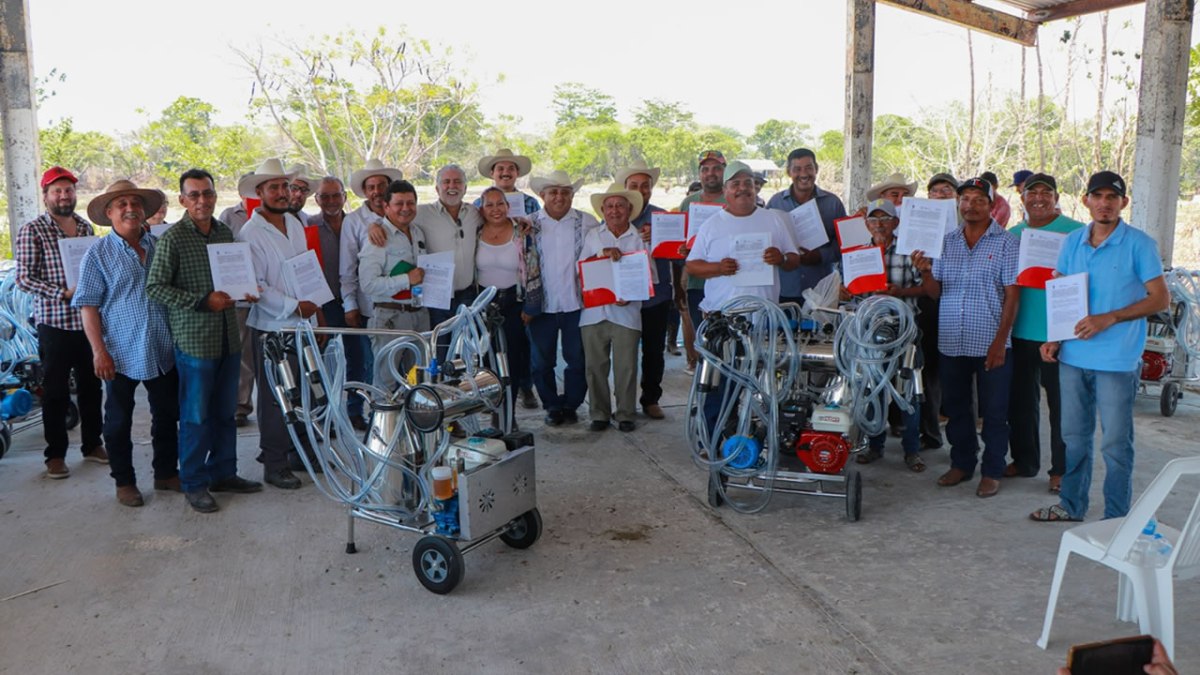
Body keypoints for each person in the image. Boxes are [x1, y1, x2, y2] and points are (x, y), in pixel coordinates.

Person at [1031, 171, 1168, 523]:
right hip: (1073, 356)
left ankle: (1116, 519)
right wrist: (1055, 336)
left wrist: (1111, 317)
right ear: (1085, 200)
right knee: (1073, 437)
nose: (1105, 203)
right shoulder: (1072, 242)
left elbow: (1159, 299)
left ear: (1123, 203)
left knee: (1115, 445)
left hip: (1117, 360)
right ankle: (1072, 506)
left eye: (1112, 197)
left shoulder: (1139, 244)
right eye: (1098, 196)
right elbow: (1062, 291)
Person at [147, 168, 263, 513]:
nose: (202, 201)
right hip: (195, 343)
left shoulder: (225, 232)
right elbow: (155, 288)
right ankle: (195, 483)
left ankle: (224, 472)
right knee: (196, 417)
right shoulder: (172, 239)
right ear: (183, 200)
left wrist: (247, 290)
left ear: (215, 196)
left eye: (207, 194)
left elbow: (236, 276)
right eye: (194, 195)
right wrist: (202, 300)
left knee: (225, 413)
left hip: (228, 338)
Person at [913, 177, 1019, 499]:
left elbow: (1013, 295)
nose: (971, 206)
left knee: (994, 410)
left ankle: (992, 470)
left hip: (990, 340)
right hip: (952, 339)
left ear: (992, 205)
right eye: (966, 200)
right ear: (958, 204)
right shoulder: (947, 241)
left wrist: (1001, 340)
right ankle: (962, 463)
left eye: (979, 200)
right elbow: (936, 292)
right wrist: (926, 272)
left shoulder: (1006, 243)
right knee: (957, 407)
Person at [73, 181, 178, 507]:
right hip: (119, 352)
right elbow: (88, 306)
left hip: (162, 349)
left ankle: (165, 473)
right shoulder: (97, 254)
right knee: (118, 421)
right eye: (121, 204)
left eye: (135, 202)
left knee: (166, 415)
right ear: (109, 213)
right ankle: (124, 481)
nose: (130, 208)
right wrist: (98, 351)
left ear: (145, 209)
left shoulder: (160, 246)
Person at [686, 161, 800, 435]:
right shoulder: (712, 225)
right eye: (735, 184)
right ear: (725, 190)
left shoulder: (773, 218)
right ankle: (711, 438)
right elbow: (692, 265)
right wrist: (717, 268)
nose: (742, 189)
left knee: (764, 383)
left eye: (747, 183)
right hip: (724, 321)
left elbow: (794, 259)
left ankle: (757, 437)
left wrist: (781, 258)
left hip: (764, 320)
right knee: (718, 385)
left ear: (755, 188)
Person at [14, 166, 108, 479]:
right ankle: (55, 455)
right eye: (57, 191)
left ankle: (92, 445)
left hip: (87, 321)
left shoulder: (84, 228)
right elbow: (24, 278)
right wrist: (61, 293)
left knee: (92, 386)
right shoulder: (33, 230)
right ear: (46, 196)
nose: (64, 196)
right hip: (54, 322)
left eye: (68, 190)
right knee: (54, 391)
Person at [238, 159, 324, 491]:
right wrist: (293, 306)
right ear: (259, 193)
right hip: (273, 326)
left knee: (304, 390)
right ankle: (274, 463)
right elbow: (256, 286)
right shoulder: (251, 232)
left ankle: (299, 453)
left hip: (301, 323)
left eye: (284, 186)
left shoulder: (295, 222)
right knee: (276, 397)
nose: (281, 192)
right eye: (273, 187)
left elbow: (305, 269)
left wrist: (313, 312)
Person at [1005, 174, 1084, 494]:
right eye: (1031, 192)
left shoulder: (1076, 232)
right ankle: (1024, 461)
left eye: (1045, 192)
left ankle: (1062, 470)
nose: (1038, 198)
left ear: (1056, 197)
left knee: (1062, 406)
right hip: (1020, 331)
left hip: (1061, 334)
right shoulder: (1013, 235)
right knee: (1020, 403)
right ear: (1021, 198)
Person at [851, 199, 927, 472]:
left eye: (885, 219)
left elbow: (928, 289)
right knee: (872, 388)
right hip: (869, 332)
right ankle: (875, 446)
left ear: (896, 223)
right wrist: (846, 289)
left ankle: (912, 451)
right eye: (874, 220)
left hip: (904, 330)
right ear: (866, 224)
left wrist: (901, 292)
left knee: (909, 390)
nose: (879, 225)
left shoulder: (909, 253)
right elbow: (849, 295)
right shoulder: (857, 254)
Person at [526, 170, 599, 426]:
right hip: (542, 306)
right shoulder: (528, 223)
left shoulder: (587, 222)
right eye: (553, 192)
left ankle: (572, 404)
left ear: (572, 195)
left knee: (577, 358)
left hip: (576, 304)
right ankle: (551, 405)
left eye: (565, 192)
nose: (559, 197)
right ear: (542, 195)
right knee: (541, 360)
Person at [473, 149, 540, 408]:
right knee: (486, 359)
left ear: (508, 206)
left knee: (514, 356)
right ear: (481, 208)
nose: (495, 209)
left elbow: (533, 268)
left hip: (514, 301)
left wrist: (531, 305)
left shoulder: (521, 231)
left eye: (500, 204)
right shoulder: (474, 228)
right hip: (482, 305)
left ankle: (510, 410)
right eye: (489, 205)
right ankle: (492, 408)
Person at [580, 184, 649, 433]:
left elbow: (647, 275)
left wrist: (631, 296)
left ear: (629, 209)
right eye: (609, 206)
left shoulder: (640, 237)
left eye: (620, 205)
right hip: (594, 312)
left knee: (627, 367)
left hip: (627, 313)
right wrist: (602, 252)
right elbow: (582, 267)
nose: (615, 210)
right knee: (595, 366)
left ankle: (626, 414)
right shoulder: (593, 236)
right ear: (602, 210)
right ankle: (599, 413)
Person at [306, 176, 369, 430]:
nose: (331, 201)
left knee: (359, 358)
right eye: (325, 196)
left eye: (336, 195)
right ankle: (325, 415)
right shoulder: (309, 226)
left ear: (344, 197)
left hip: (355, 301)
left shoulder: (357, 223)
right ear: (317, 199)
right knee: (324, 362)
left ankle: (355, 410)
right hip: (325, 304)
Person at [340, 159, 403, 404]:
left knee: (398, 366)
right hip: (370, 306)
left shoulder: (401, 214)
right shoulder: (354, 221)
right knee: (370, 364)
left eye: (381, 185)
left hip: (402, 304)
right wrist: (350, 305)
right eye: (371, 187)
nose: (376, 191)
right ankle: (363, 414)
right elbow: (347, 270)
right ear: (365, 191)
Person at [358, 180, 430, 391]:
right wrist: (407, 279)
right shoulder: (377, 238)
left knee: (419, 381)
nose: (406, 209)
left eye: (410, 203)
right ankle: (382, 425)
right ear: (386, 207)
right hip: (390, 318)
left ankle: (412, 424)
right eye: (399, 203)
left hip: (419, 315)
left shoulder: (417, 233)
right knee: (386, 384)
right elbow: (368, 284)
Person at [617, 160, 671, 420]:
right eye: (634, 185)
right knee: (623, 352)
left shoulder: (663, 217)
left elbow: (678, 253)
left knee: (653, 351)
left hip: (655, 296)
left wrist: (661, 237)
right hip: (623, 297)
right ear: (625, 188)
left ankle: (650, 399)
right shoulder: (615, 212)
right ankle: (623, 402)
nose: (640, 190)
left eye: (645, 186)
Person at [765, 148, 847, 305]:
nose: (804, 174)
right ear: (789, 172)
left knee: (821, 330)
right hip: (785, 287)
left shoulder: (833, 203)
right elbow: (767, 240)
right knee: (785, 329)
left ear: (816, 169)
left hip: (820, 288)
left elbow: (844, 245)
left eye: (809, 168)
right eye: (797, 169)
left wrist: (821, 256)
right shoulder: (775, 203)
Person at [915, 172, 959, 452]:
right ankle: (931, 433)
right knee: (929, 369)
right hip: (928, 303)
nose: (941, 195)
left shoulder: (968, 225)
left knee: (959, 372)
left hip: (960, 302)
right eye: (936, 191)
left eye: (947, 191)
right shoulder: (916, 223)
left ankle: (961, 439)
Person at [679, 150, 727, 374]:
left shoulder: (732, 199)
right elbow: (680, 242)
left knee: (726, 346)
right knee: (703, 342)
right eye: (705, 169)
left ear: (724, 171)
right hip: (696, 283)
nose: (711, 173)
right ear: (699, 173)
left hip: (727, 283)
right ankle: (705, 396)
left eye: (716, 168)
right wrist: (680, 250)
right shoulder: (688, 203)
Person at [219, 173, 257, 428]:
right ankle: (241, 405)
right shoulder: (229, 216)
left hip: (267, 294)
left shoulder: (279, 214)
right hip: (240, 296)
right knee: (243, 353)